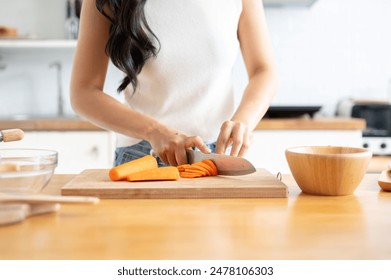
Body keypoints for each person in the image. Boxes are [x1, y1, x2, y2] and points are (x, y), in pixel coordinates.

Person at [70, 0, 277, 167]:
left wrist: (244, 121)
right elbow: (83, 93)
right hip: (142, 156)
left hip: (217, 157)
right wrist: (153, 130)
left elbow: (263, 70)